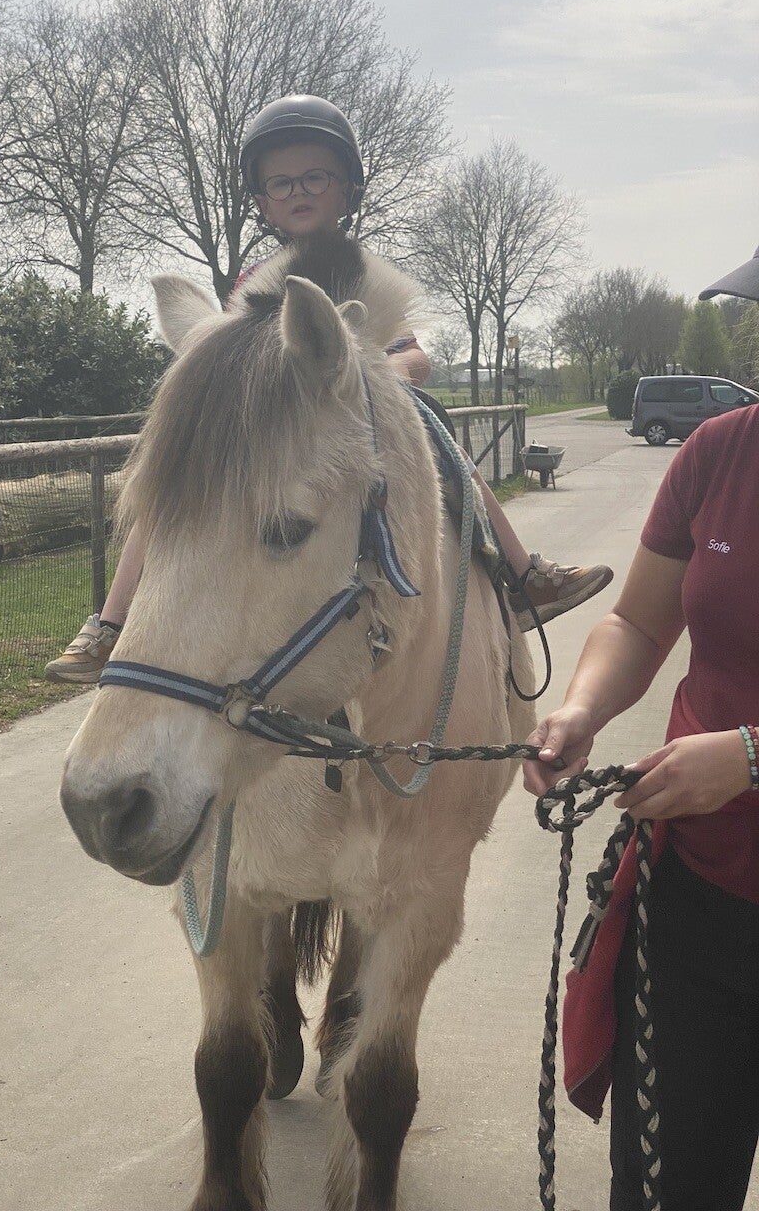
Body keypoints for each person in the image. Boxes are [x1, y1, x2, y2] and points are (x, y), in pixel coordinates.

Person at [44, 96, 612, 683]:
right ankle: (113, 622)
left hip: (360, 410)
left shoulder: (363, 270)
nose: (298, 191)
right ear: (263, 200)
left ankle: (521, 575)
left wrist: (385, 372)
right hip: (278, 419)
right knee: (182, 481)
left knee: (449, 453)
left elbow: (412, 350)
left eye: (315, 176)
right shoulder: (254, 281)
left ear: (347, 189)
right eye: (281, 182)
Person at [523, 244, 759, 1210]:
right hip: (699, 893)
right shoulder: (721, 450)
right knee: (665, 1188)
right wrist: (582, 707)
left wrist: (751, 756)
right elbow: (637, 623)